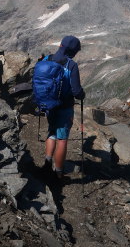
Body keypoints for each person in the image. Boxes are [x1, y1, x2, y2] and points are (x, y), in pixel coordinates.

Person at [42, 35, 85, 179]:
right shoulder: (71, 65)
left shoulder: (46, 59)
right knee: (62, 138)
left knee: (51, 132)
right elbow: (76, 91)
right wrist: (82, 95)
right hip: (64, 107)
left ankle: (47, 163)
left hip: (48, 105)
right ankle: (58, 173)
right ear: (73, 51)